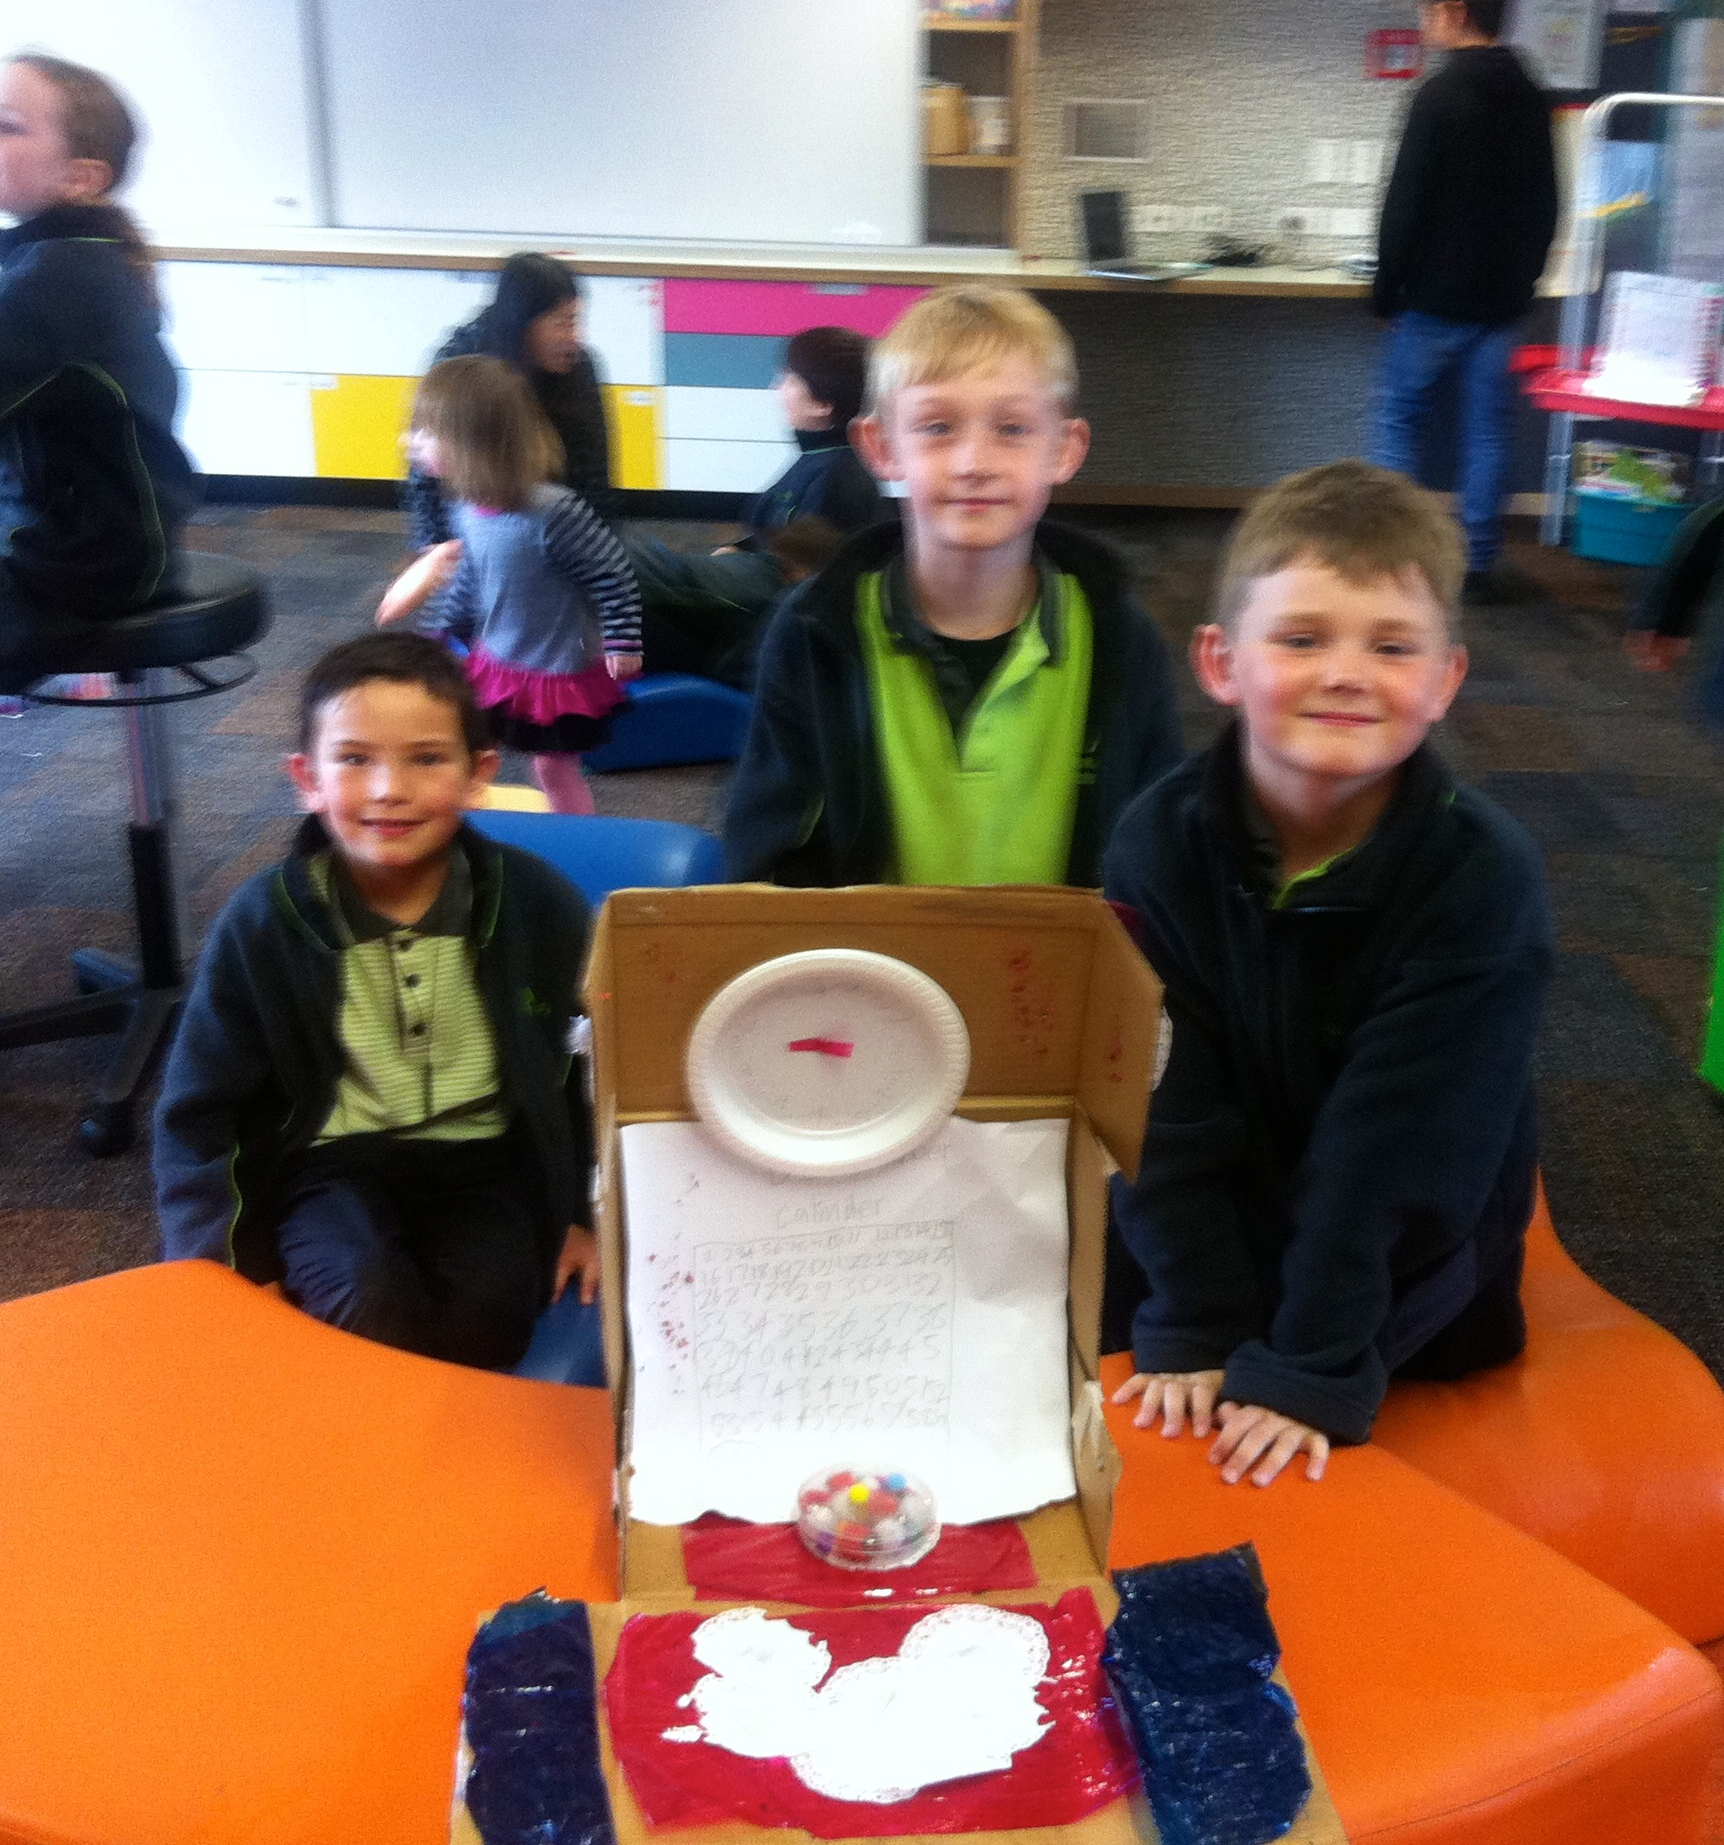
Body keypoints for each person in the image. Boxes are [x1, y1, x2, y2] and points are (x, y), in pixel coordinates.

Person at [1106, 459, 1554, 1487]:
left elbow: (1401, 1153)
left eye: (1390, 647)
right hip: (1217, 1225)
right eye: (1301, 639)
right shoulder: (1154, 841)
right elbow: (1163, 1105)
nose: (1346, 673)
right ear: (1220, 662)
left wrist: (1311, 1363)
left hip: (1400, 1267)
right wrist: (1197, 1315)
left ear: (1443, 680)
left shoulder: (1482, 877)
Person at [154, 632, 601, 1374]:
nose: (390, 788)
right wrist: (219, 1265)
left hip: (486, 1162)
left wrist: (582, 1216)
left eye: (427, 758)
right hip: (332, 1165)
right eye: (355, 759)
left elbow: (590, 1076)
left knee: (490, 1315)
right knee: (366, 1300)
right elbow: (201, 1111)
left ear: (479, 773)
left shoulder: (537, 903)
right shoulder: (264, 922)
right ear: (307, 779)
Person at [722, 286, 1182, 888]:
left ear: (1064, 450)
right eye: (937, 427)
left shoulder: (1119, 633)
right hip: (864, 953)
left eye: (1012, 429)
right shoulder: (812, 632)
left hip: (1066, 952)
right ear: (881, 447)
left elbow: (1158, 852)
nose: (973, 463)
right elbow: (767, 859)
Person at [0, 54, 195, 693]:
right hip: (83, 541)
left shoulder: (62, 278)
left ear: (80, 176)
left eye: (9, 125)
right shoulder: (48, 259)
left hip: (89, 564)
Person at [377, 355, 642, 816]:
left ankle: (573, 838)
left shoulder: (553, 512)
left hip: (555, 670)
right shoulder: (465, 508)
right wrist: (440, 630)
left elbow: (611, 572)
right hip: (498, 663)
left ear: (471, 442)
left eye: (424, 431)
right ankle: (466, 833)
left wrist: (622, 638)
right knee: (468, 750)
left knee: (553, 770)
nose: (409, 441)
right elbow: (470, 580)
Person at [1368, 0, 1558, 602]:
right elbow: (1548, 205)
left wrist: (1385, 291)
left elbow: (1404, 203)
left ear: (1453, 11)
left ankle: (1393, 556)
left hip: (1432, 301)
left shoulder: (1438, 95)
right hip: (1502, 306)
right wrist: (1523, 283)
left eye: (1426, 12)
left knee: (1401, 421)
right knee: (1488, 432)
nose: (1423, 23)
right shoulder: (1531, 97)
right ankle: (1478, 565)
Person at [633, 325, 885, 687]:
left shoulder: (840, 477)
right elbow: (778, 535)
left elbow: (798, 578)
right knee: (643, 571)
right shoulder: (820, 460)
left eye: (789, 379)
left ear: (822, 405)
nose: (776, 388)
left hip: (755, 618)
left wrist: (740, 559)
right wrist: (739, 547)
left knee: (636, 568)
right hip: (753, 590)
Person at [404, 253, 615, 562]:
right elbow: (424, 477)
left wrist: (596, 552)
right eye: (563, 322)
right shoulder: (461, 364)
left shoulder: (578, 367)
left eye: (576, 319)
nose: (575, 337)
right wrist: (436, 552)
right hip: (470, 533)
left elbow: (595, 476)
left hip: (552, 528)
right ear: (524, 322)